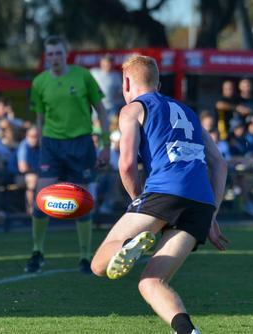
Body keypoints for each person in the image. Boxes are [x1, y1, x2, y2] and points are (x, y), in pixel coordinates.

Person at [90, 55, 228, 334]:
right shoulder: (189, 112)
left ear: (126, 83)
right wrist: (212, 214)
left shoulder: (132, 110)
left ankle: (129, 245)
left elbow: (127, 164)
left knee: (99, 265)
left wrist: (137, 201)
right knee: (152, 282)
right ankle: (189, 332)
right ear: (159, 83)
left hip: (163, 192)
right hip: (201, 204)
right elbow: (220, 163)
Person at [26, 35, 110, 274]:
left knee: (82, 202)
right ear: (46, 56)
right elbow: (40, 118)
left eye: (58, 53)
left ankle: (85, 257)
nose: (54, 58)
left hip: (81, 144)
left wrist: (106, 145)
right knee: (39, 199)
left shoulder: (83, 76)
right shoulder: (39, 82)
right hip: (52, 145)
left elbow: (102, 112)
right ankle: (37, 252)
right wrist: (41, 145)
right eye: (50, 54)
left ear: (66, 54)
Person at [90, 54, 123, 118]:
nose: (108, 64)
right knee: (97, 127)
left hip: (112, 108)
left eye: (110, 62)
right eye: (106, 62)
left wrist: (118, 95)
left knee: (112, 127)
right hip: (97, 108)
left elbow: (120, 90)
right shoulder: (94, 73)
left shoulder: (116, 76)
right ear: (101, 63)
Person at [17, 126, 40, 216]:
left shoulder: (40, 146)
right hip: (16, 176)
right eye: (32, 136)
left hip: (36, 174)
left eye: (37, 136)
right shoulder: (24, 146)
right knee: (32, 179)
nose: (35, 139)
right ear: (27, 136)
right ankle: (31, 211)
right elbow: (23, 168)